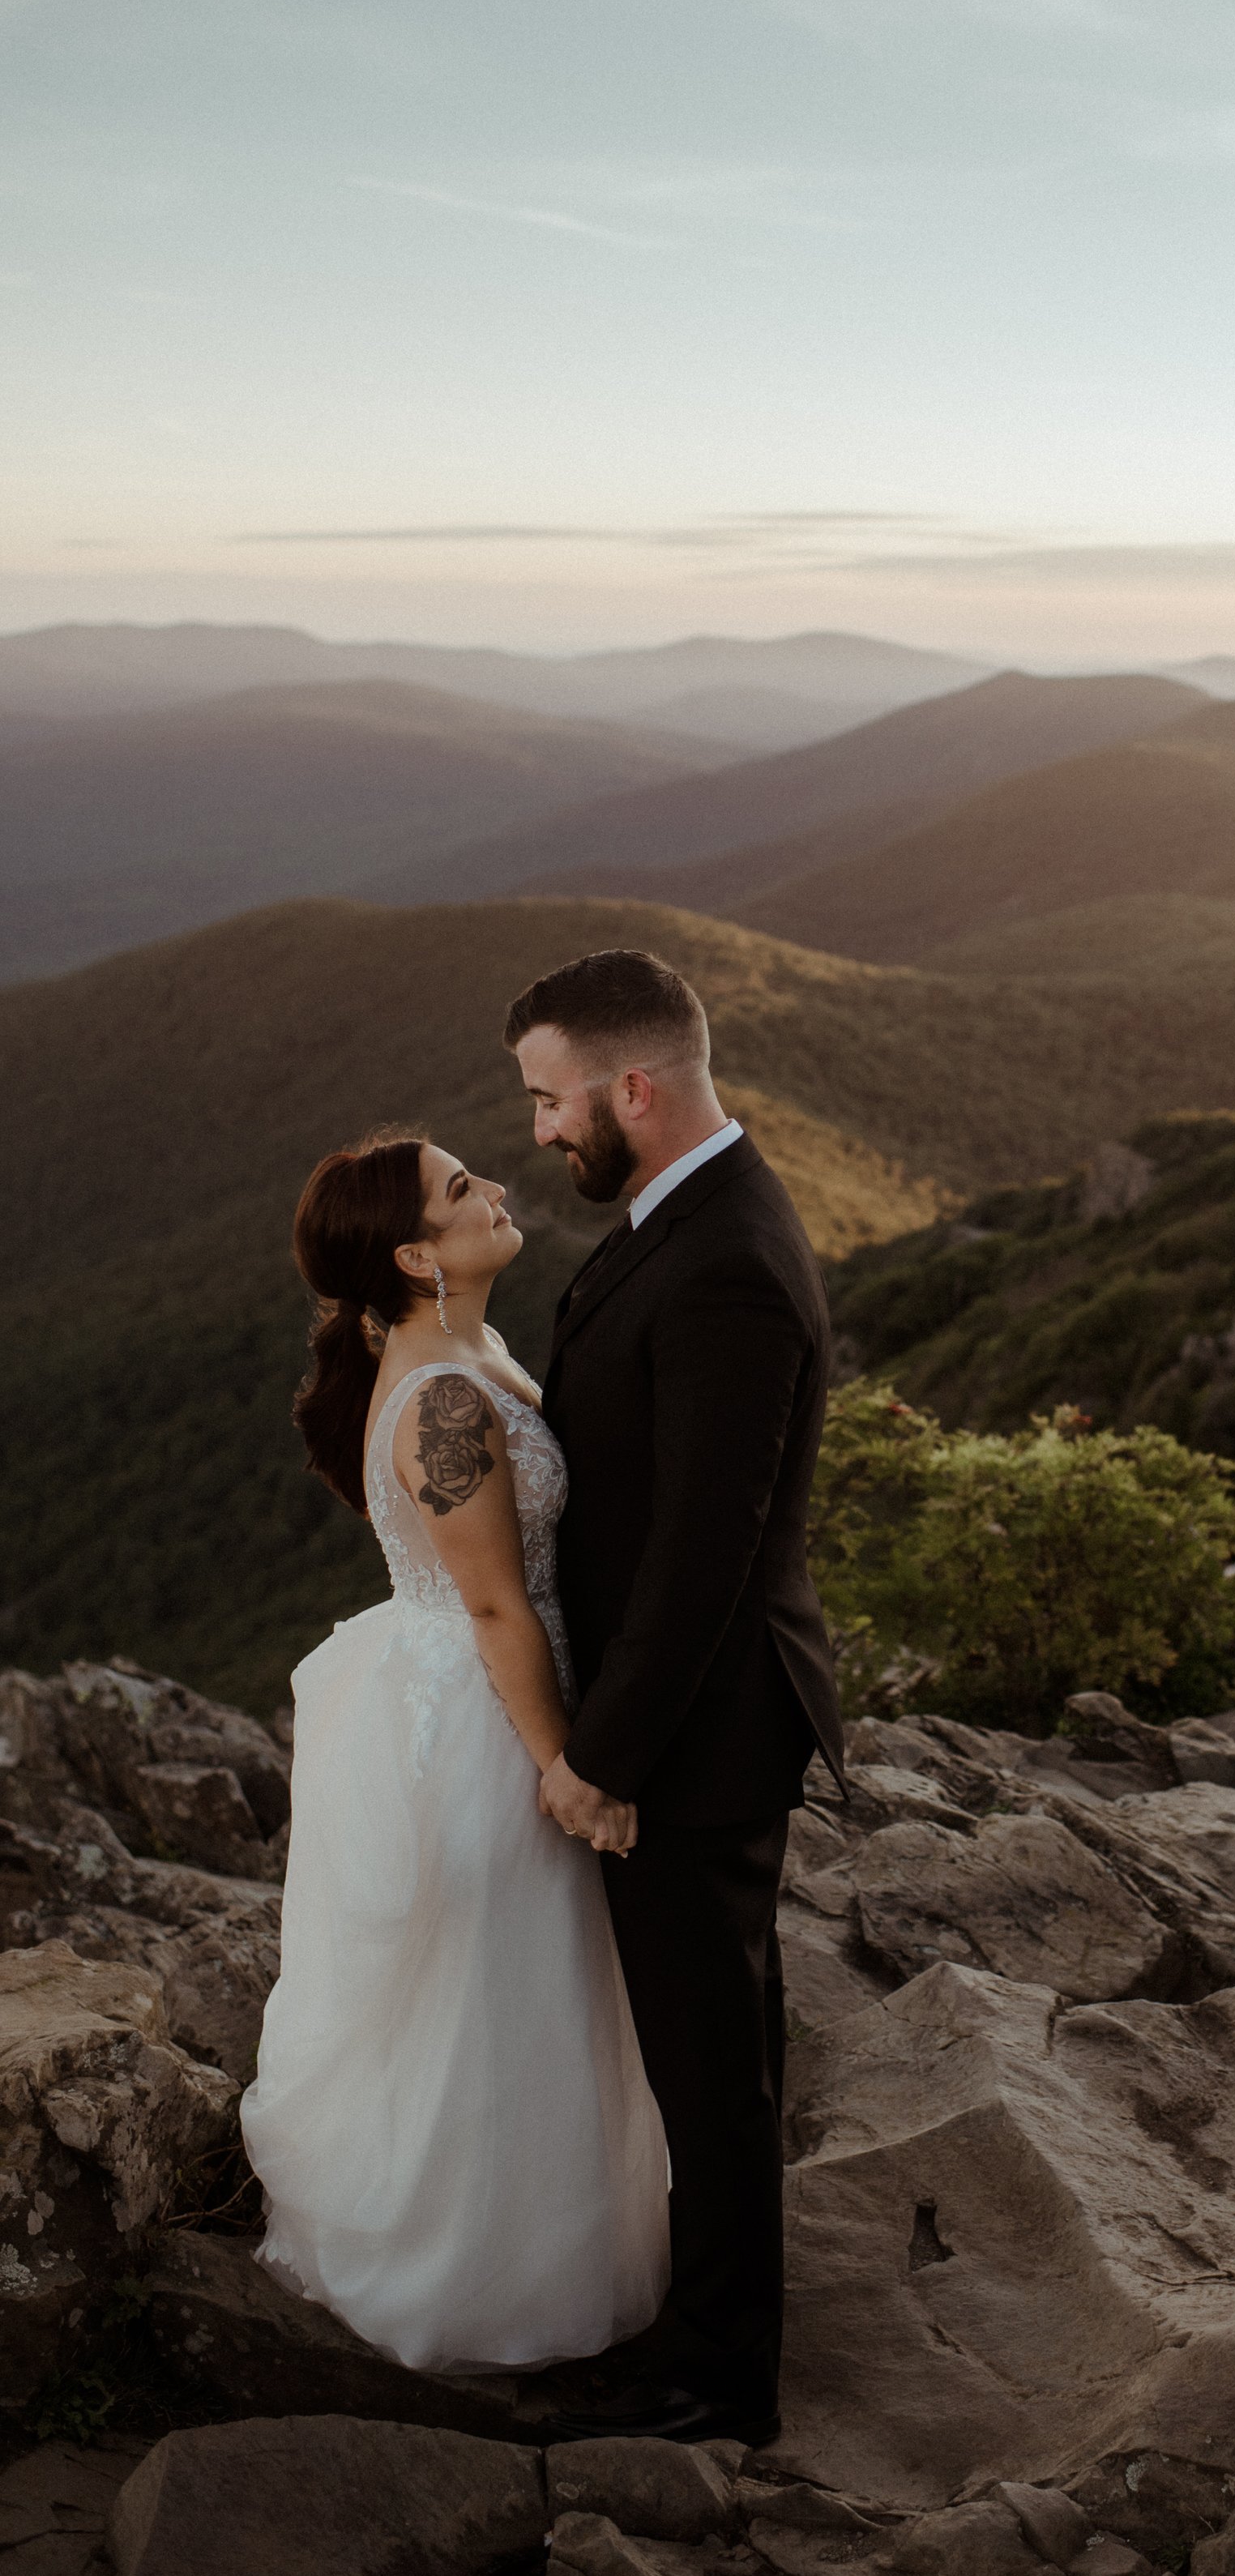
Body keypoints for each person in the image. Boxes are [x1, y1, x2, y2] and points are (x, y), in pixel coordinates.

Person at [240, 1130, 669, 2373]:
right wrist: (565, 1769)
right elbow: (493, 1606)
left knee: (524, 1990)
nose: (491, 1188)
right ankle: (479, 2290)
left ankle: (547, 2257)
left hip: (486, 1685)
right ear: (419, 1255)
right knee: (503, 1997)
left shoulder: (465, 1349)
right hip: (486, 1714)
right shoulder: (438, 1396)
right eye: (459, 1188)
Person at [506, 948, 845, 2450]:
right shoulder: (679, 1215)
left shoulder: (727, 1264)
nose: (538, 1132)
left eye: (548, 1098)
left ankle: (717, 2381)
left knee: (713, 2067)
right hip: (681, 1725)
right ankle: (698, 2334)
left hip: (700, 1740)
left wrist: (600, 1755)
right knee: (702, 2047)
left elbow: (705, 1557)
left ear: (630, 1089)